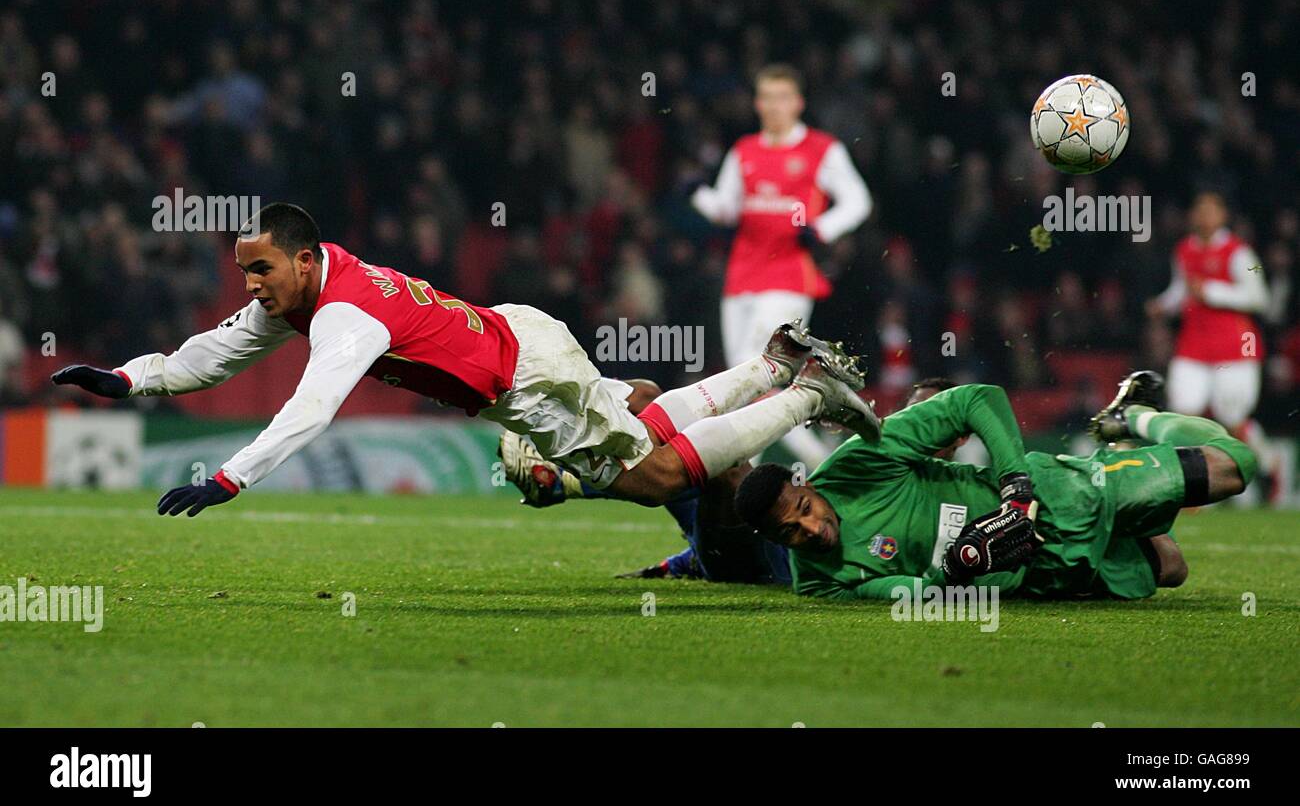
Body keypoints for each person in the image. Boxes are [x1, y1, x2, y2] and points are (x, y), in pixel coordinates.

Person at [51, 203, 879, 516]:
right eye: (246, 272)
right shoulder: (311, 285)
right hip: (519, 343)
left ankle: (808, 392)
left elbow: (309, 408)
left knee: (653, 479)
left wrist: (230, 476)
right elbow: (218, 351)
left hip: (523, 380)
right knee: (637, 422)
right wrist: (130, 377)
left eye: (260, 269)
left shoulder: (343, 318)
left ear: (301, 259)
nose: (252, 286)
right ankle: (774, 365)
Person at [732, 372, 1257, 600]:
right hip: (1043, 573)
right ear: (778, 543)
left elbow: (978, 398)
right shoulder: (818, 580)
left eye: (804, 507)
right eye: (792, 532)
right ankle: (1125, 454)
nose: (811, 528)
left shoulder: (855, 464)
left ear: (808, 485)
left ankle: (1134, 415)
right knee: (1171, 567)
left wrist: (1017, 488)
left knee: (1235, 466)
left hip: (1058, 496)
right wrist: (958, 566)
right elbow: (913, 595)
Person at [503, 377, 959, 585]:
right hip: (726, 520)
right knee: (648, 397)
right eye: (915, 409)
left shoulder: (949, 490)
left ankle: (562, 484)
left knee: (726, 470)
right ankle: (549, 400)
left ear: (953, 437)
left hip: (735, 552)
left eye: (931, 414)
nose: (919, 420)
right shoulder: (877, 462)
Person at [692, 63, 871, 467]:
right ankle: (822, 461)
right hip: (742, 278)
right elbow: (727, 209)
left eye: (783, 98)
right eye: (767, 98)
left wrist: (822, 229)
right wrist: (697, 195)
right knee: (744, 382)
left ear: (798, 103)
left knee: (751, 374)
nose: (775, 106)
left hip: (790, 277)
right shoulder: (745, 151)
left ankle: (747, 475)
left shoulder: (822, 149)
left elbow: (858, 200)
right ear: (757, 103)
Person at [1146, 190, 1273, 500]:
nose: (1203, 216)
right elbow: (1181, 290)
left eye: (1210, 210)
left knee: (1233, 417)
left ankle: (1270, 466)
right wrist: (1164, 304)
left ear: (1223, 215)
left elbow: (1259, 297)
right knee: (1184, 413)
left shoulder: (1241, 254)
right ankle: (1192, 489)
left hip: (1236, 343)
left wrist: (1213, 291)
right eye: (1198, 209)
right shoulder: (1184, 250)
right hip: (1194, 342)